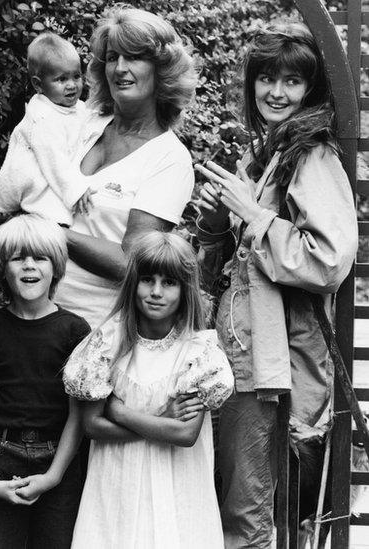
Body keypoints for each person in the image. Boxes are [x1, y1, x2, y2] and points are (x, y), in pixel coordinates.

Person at [195, 23, 358, 548]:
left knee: (254, 519)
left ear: (310, 89)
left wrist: (255, 218)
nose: (276, 92)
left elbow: (329, 259)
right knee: (236, 507)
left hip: (275, 364)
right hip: (238, 357)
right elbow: (231, 268)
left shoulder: (312, 155)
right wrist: (221, 223)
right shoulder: (264, 155)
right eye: (266, 77)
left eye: (292, 80)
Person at [62, 231, 234, 548]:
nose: (156, 292)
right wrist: (161, 419)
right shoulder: (107, 343)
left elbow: (184, 434)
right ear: (133, 284)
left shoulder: (198, 353)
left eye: (168, 283)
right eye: (147, 280)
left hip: (180, 483)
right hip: (118, 486)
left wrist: (118, 410)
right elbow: (92, 426)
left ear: (185, 290)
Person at [55, 6, 198, 328]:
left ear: (162, 69)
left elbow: (132, 262)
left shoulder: (169, 159)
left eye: (134, 57)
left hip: (100, 328)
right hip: (35, 317)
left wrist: (53, 234)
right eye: (112, 57)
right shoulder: (83, 125)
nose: (120, 68)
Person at [0, 214, 91, 549]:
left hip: (59, 464)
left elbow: (79, 415)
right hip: (4, 459)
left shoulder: (75, 331)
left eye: (40, 257)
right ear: (2, 269)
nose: (29, 266)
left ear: (56, 268)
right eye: (18, 258)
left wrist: (53, 477)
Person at [0, 32, 91, 226]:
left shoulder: (77, 107)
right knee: (45, 204)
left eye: (76, 76)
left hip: (53, 177)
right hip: (32, 185)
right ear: (38, 84)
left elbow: (87, 122)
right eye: (61, 79)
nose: (71, 85)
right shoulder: (42, 116)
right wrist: (75, 188)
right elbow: (54, 158)